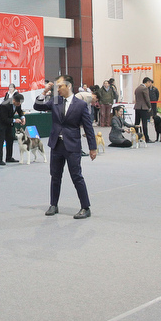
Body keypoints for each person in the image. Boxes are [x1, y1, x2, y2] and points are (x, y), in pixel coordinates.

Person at [34, 75, 97, 219]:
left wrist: (92, 148)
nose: (58, 89)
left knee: (76, 176)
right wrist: (44, 92)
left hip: (72, 145)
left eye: (60, 86)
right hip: (56, 145)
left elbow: (88, 128)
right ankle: (53, 205)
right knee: (55, 176)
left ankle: (85, 207)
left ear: (69, 86)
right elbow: (37, 106)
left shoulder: (80, 105)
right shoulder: (55, 101)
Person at [0, 92, 25, 165]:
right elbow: (4, 118)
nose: (19, 105)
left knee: (10, 139)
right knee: (1, 140)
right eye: (18, 104)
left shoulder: (18, 103)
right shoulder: (5, 105)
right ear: (13, 100)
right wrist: (14, 120)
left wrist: (23, 117)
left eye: (20, 104)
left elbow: (20, 111)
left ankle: (9, 157)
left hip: (8, 121)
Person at [133, 78, 154, 143]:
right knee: (144, 124)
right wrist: (149, 107)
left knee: (137, 123)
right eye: (150, 83)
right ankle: (146, 138)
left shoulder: (137, 88)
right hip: (143, 108)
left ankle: (136, 137)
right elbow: (147, 99)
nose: (150, 84)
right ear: (147, 82)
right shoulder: (145, 88)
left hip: (137, 107)